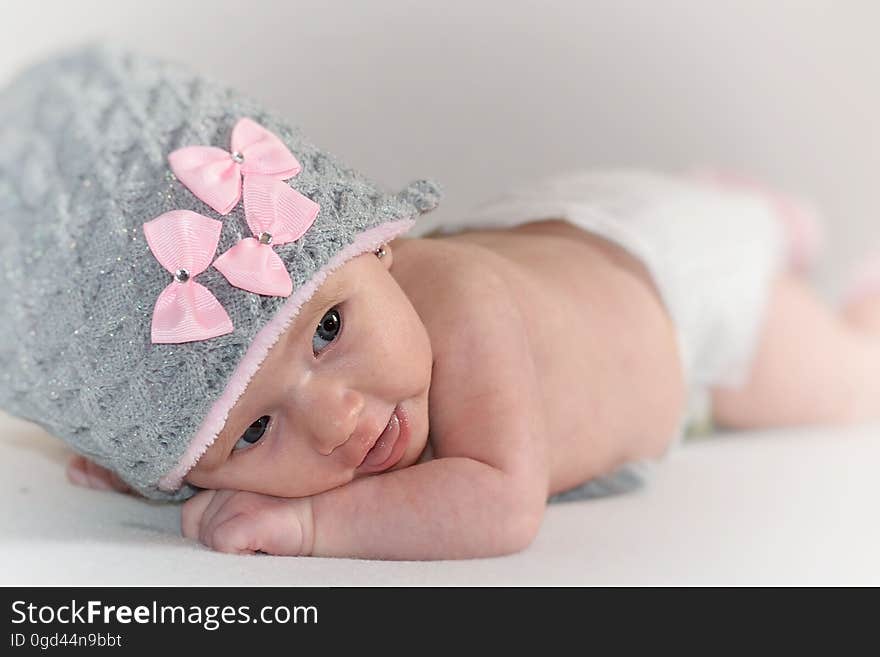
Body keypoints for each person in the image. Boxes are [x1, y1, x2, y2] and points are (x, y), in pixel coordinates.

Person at [3, 46, 876, 560]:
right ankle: (754, 212)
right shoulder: (311, 373)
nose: (338, 417)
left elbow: (502, 502)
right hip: (564, 245)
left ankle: (781, 245)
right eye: (253, 432)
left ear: (375, 247)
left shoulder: (464, 301)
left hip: (680, 304)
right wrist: (144, 467)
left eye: (332, 330)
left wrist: (308, 520)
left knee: (847, 383)